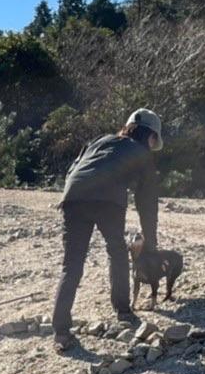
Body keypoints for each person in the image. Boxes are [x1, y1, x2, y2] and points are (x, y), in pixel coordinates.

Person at [52, 108, 163, 353]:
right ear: (151, 136)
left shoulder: (101, 140)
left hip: (74, 197)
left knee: (71, 264)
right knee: (117, 251)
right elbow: (147, 202)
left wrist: (75, 194)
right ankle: (123, 311)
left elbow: (74, 169)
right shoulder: (142, 154)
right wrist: (150, 242)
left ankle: (60, 330)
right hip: (108, 201)